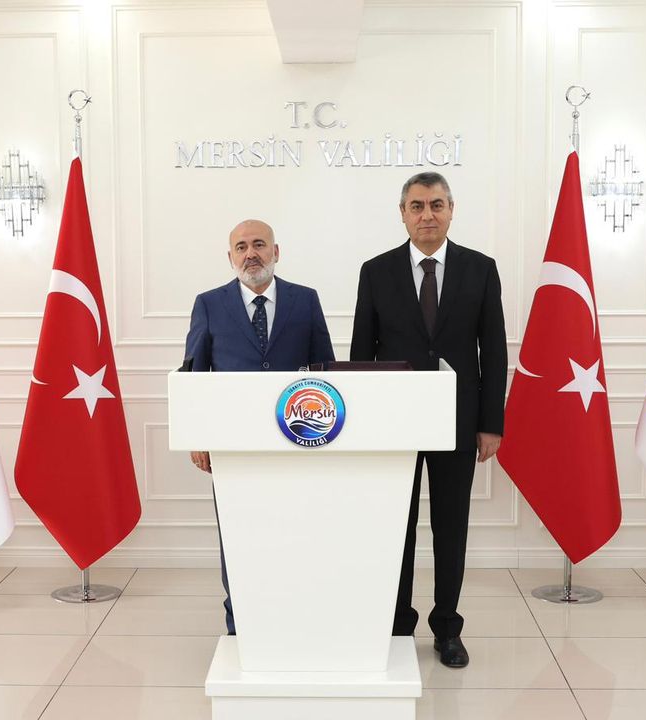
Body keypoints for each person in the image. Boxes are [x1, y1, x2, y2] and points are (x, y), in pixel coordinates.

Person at [350, 172, 506, 668]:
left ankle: (447, 628)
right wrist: (363, 425)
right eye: (416, 206)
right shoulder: (376, 272)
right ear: (402, 214)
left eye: (436, 205)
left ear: (451, 210)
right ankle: (398, 622)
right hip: (393, 423)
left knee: (450, 527)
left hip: (458, 421)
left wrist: (491, 423)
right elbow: (361, 354)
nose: (427, 215)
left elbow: (493, 351)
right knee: (397, 524)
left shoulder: (481, 269)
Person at [184, 219, 335, 635]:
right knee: (239, 535)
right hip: (234, 445)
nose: (250, 253)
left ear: (275, 252)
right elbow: (196, 374)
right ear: (230, 257)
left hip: (298, 440)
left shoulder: (305, 300)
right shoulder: (208, 304)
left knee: (295, 531)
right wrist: (199, 436)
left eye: (258, 244)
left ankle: (294, 616)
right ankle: (241, 624)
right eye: (241, 247)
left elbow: (325, 369)